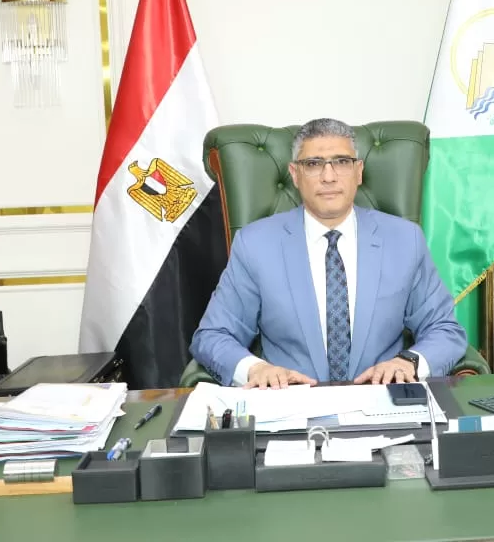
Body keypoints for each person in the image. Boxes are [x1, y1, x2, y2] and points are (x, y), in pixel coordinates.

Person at [190, 118, 468, 389]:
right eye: (313, 164)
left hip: (382, 400)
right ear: (295, 174)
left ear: (359, 171)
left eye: (342, 162)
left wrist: (409, 363)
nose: (329, 176)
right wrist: (255, 369)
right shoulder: (255, 244)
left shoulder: (405, 240)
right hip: (291, 405)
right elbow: (213, 335)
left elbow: (444, 329)